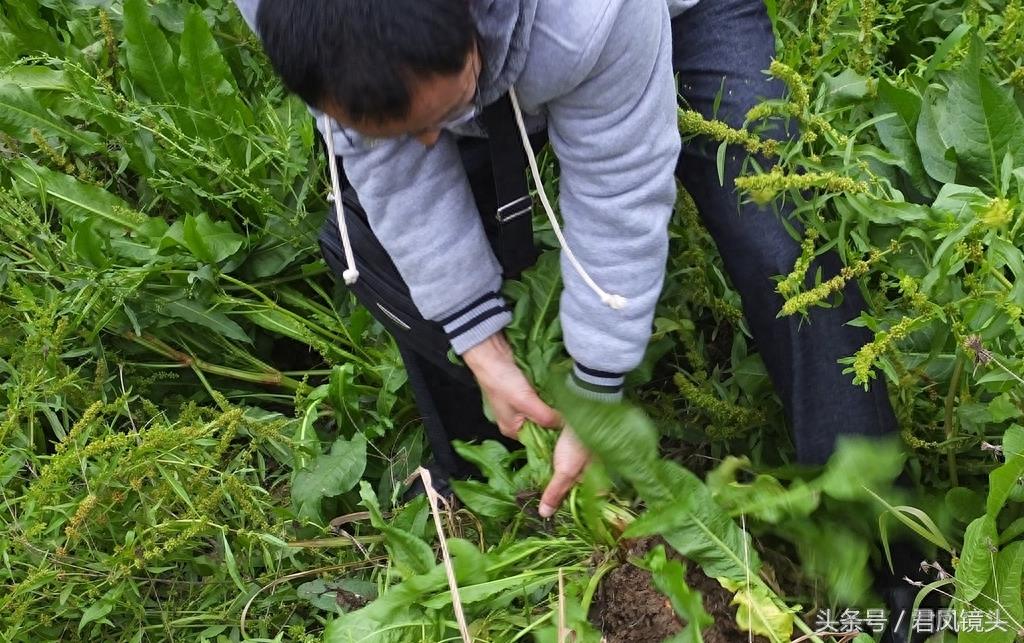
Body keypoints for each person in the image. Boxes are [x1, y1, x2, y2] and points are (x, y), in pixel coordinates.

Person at [237, 2, 923, 639]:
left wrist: (598, 383)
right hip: (458, 61)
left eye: (432, 119)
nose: (424, 145)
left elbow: (620, 187)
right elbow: (388, 163)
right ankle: (500, 494)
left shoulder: (589, 15)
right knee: (384, 244)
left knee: (782, 241)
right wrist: (477, 339)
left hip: (643, 18)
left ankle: (890, 563)